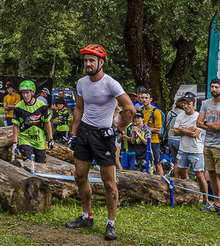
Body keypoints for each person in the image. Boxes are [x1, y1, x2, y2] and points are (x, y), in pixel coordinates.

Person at [65, 44, 134, 241]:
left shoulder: (111, 84)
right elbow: (78, 108)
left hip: (104, 136)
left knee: (108, 182)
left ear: (101, 62)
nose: (88, 64)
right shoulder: (82, 83)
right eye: (86, 60)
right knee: (79, 175)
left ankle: (110, 223)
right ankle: (87, 216)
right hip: (84, 133)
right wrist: (73, 133)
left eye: (92, 61)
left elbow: (130, 109)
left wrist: (117, 130)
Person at [197, 78, 220, 216]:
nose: (214, 89)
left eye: (216, 87)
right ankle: (217, 203)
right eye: (212, 87)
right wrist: (210, 125)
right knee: (211, 174)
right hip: (207, 144)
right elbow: (198, 122)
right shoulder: (206, 103)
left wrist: (208, 124)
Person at [173, 95, 210, 209]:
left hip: (196, 150)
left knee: (199, 175)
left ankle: (205, 198)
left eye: (188, 104)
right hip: (183, 149)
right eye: (184, 104)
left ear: (193, 104)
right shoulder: (180, 116)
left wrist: (182, 129)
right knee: (182, 172)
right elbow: (175, 132)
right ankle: (188, 193)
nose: (186, 106)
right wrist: (187, 130)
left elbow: (195, 134)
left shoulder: (199, 116)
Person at [11, 80, 54, 163]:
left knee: (41, 164)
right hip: (25, 139)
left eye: (27, 93)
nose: (25, 95)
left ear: (33, 92)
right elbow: (15, 125)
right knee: (28, 162)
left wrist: (51, 139)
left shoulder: (42, 106)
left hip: (39, 140)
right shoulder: (18, 107)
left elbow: (47, 122)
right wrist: (15, 142)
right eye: (23, 93)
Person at [138, 89, 165, 175]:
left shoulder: (156, 112)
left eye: (146, 98)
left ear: (151, 99)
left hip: (154, 142)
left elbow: (158, 130)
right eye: (143, 98)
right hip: (142, 142)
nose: (144, 100)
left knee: (157, 163)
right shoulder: (140, 110)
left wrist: (145, 128)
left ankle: (163, 182)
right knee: (143, 163)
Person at [165, 96, 186, 176]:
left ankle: (176, 178)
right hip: (179, 140)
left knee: (176, 161)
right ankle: (180, 179)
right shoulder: (183, 114)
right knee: (182, 162)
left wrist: (168, 136)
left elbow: (168, 126)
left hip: (171, 139)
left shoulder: (170, 113)